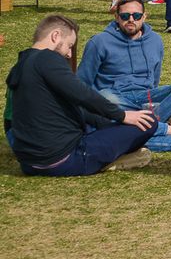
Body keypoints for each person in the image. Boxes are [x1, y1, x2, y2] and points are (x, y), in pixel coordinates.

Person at [6, 14, 157, 176]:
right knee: (149, 123)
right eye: (69, 45)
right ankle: (109, 160)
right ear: (55, 36)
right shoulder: (47, 58)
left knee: (100, 123)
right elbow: (82, 94)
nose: (70, 54)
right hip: (66, 159)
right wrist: (122, 115)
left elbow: (74, 105)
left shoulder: (22, 63)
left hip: (29, 164)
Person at [77, 0, 171, 151]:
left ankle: (146, 124)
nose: (131, 20)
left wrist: (154, 104)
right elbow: (82, 83)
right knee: (105, 97)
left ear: (144, 17)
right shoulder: (99, 42)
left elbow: (154, 78)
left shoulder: (155, 40)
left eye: (136, 16)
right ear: (116, 17)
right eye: (125, 16)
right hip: (116, 101)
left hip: (146, 97)